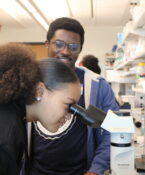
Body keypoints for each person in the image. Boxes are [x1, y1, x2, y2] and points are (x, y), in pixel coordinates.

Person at [29, 17, 119, 175]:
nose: (65, 51)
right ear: (47, 44)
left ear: (80, 49)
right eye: (58, 44)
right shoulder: (28, 80)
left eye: (73, 46)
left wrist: (96, 169)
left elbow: (114, 129)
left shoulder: (97, 85)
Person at [0, 43, 81, 175]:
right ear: (40, 91)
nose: (69, 115)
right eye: (68, 105)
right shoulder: (6, 134)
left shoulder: (15, 117)